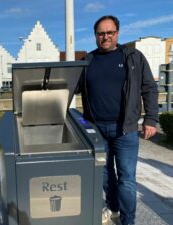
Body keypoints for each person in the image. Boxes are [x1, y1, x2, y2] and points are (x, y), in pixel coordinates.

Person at [76, 15, 159, 225]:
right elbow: (71, 87)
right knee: (105, 176)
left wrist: (151, 119)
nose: (106, 37)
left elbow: (149, 87)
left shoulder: (133, 57)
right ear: (95, 35)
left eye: (110, 32)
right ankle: (113, 208)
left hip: (126, 129)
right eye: (101, 33)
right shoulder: (87, 61)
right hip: (97, 131)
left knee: (127, 180)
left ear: (117, 33)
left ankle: (127, 221)